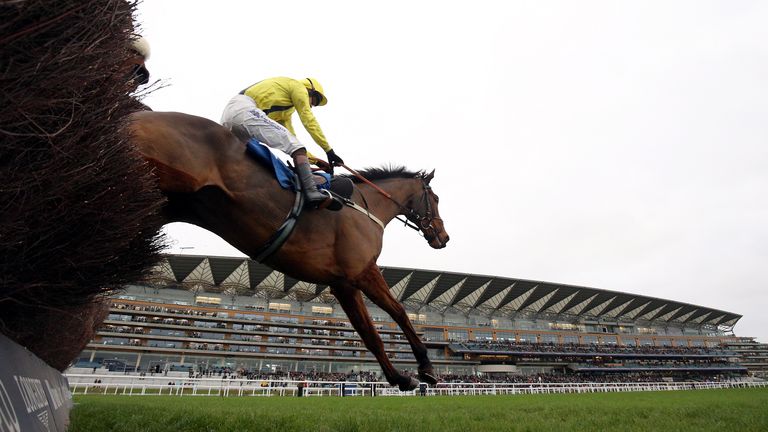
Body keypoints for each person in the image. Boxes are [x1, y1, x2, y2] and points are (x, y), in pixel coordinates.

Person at [221, 77, 344, 211]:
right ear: (310, 90)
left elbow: (292, 140)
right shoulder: (298, 87)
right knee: (296, 147)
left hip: (232, 115)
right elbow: (308, 120)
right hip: (244, 110)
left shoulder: (285, 112)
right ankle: (311, 192)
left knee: (294, 146)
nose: (311, 105)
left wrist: (316, 162)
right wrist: (329, 151)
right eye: (314, 101)